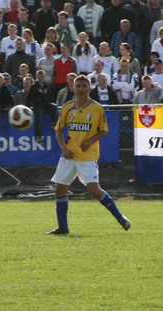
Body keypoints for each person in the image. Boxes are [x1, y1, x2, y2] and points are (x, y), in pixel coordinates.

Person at [48, 75, 130, 235]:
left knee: (94, 189)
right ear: (73, 88)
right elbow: (58, 130)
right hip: (69, 155)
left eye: (84, 86)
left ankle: (120, 217)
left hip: (87, 156)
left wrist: (89, 141)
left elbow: (104, 130)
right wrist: (64, 149)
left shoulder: (97, 108)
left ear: (89, 89)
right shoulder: (67, 108)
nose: (80, 89)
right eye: (78, 86)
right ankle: (63, 228)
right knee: (59, 189)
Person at [26, 69, 58, 141]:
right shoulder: (34, 86)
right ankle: (38, 136)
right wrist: (27, 106)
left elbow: (49, 95)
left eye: (42, 76)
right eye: (39, 76)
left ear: (45, 76)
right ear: (36, 77)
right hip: (37, 105)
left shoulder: (46, 85)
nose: (41, 78)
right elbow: (29, 97)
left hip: (45, 103)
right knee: (39, 120)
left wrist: (50, 101)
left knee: (54, 107)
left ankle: (53, 123)